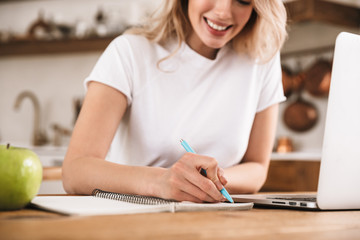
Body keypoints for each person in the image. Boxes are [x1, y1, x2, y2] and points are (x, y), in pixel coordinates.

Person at [62, 0, 287, 203]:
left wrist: (209, 181)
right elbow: (75, 171)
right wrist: (161, 181)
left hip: (218, 222)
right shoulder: (129, 52)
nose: (223, 12)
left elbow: (257, 168)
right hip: (133, 219)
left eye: (243, 0)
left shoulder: (262, 58)